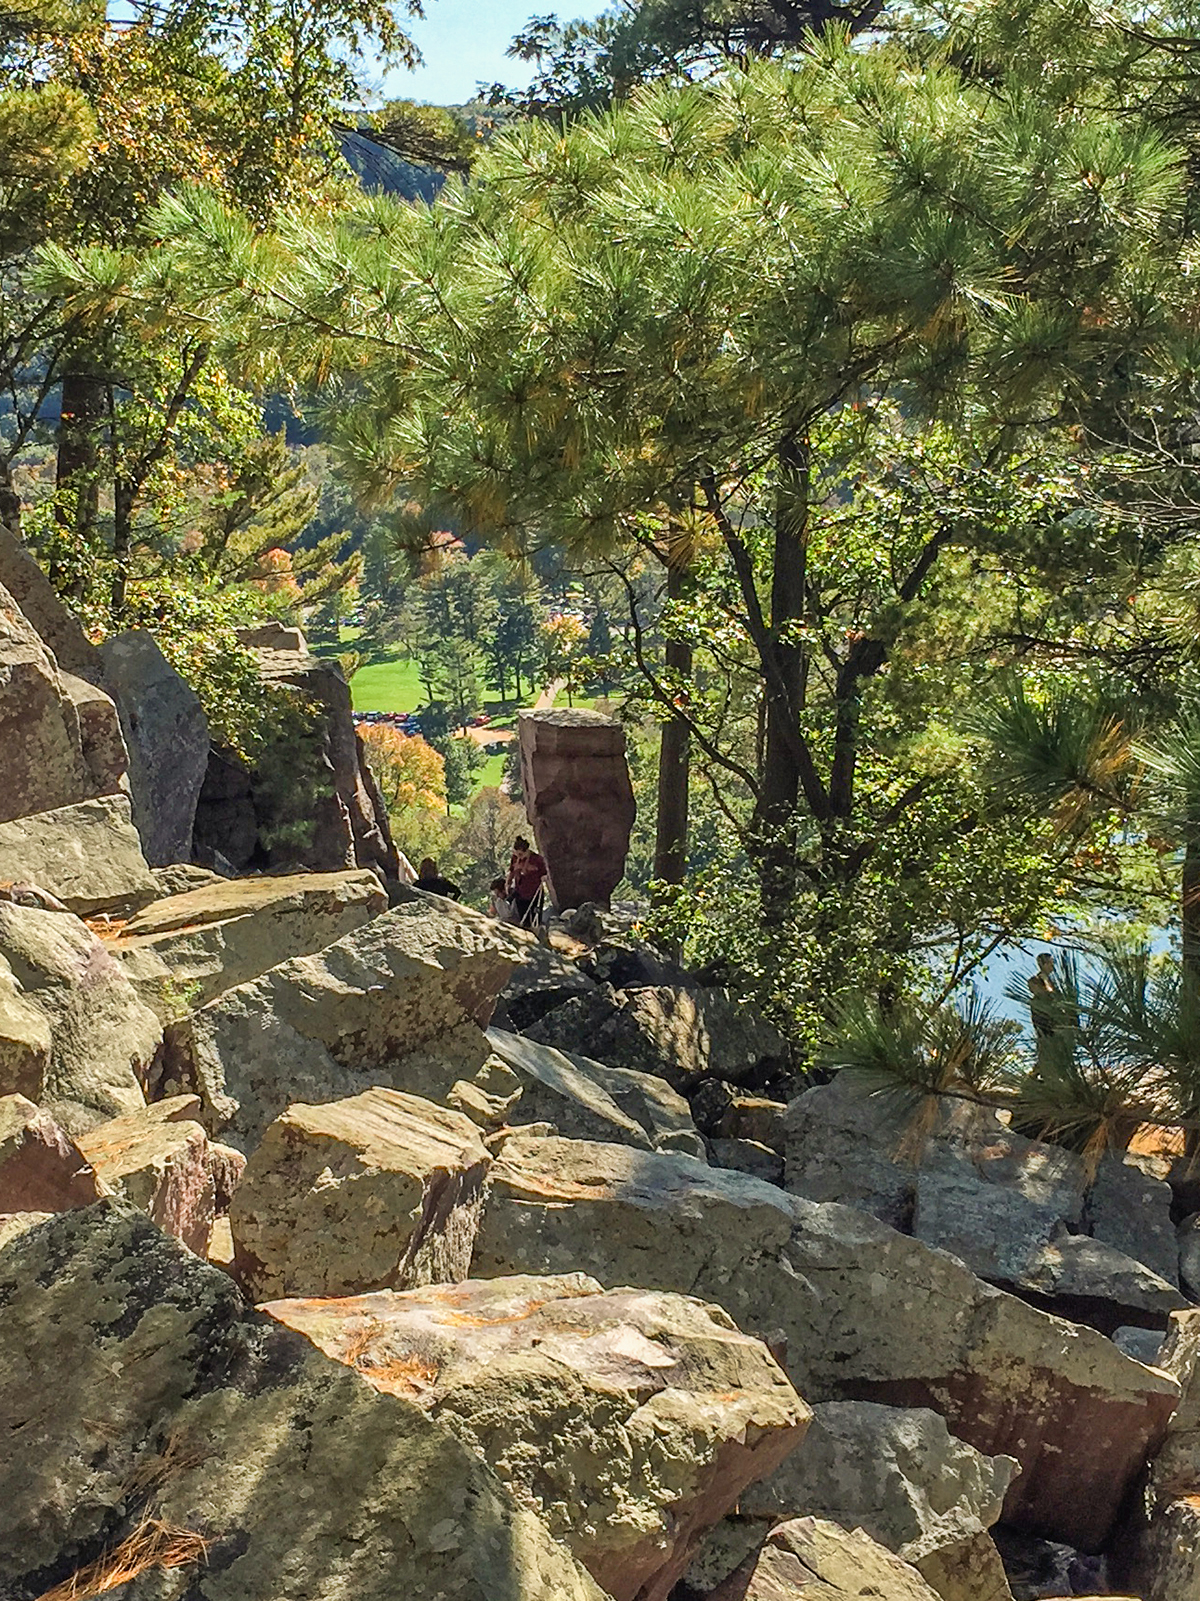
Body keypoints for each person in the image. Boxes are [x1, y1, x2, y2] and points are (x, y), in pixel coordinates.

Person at [506, 835, 546, 928]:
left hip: (534, 892)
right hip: (520, 891)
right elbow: (511, 871)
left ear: (527, 851)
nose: (519, 856)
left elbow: (544, 874)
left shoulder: (537, 859)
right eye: (516, 854)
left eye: (520, 854)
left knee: (536, 918)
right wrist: (508, 883)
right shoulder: (515, 858)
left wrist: (532, 869)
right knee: (524, 919)